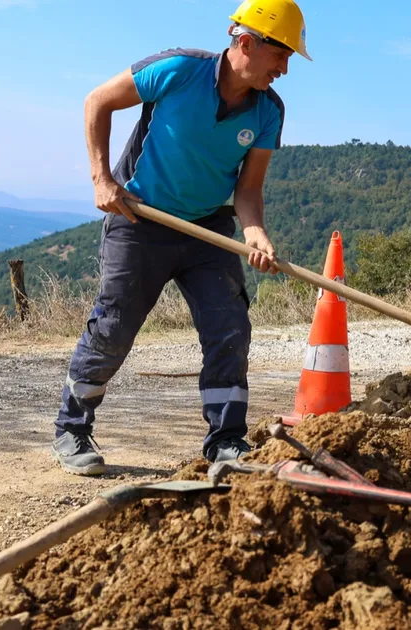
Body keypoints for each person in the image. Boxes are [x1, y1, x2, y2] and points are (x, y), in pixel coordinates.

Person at [51, 0, 312, 476]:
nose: (285, 69)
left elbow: (248, 189)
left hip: (208, 230)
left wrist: (255, 233)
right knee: (113, 327)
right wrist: (101, 179)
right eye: (282, 55)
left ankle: (226, 440)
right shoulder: (176, 70)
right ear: (247, 43)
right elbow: (97, 101)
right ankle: (72, 428)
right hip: (139, 220)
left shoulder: (269, 111)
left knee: (229, 328)